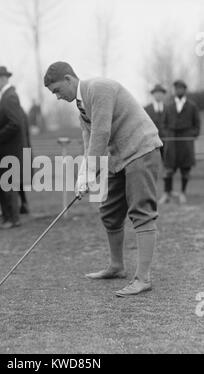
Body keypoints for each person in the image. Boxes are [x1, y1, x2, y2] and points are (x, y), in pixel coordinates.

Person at [44, 61, 163, 297]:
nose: (57, 97)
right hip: (120, 157)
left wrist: (91, 172)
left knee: (141, 212)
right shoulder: (81, 106)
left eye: (57, 90)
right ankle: (117, 267)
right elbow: (89, 141)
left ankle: (143, 279)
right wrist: (83, 176)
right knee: (109, 210)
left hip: (141, 150)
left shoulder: (98, 89)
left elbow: (102, 132)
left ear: (69, 79)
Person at [0, 66, 24, 229]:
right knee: (8, 185)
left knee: (9, 186)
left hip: (10, 150)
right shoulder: (7, 96)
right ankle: (10, 218)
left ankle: (13, 219)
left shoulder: (9, 97)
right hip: (7, 150)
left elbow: (15, 123)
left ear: (3, 79)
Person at [159, 80, 201, 205]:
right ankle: (167, 194)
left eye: (181, 88)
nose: (179, 91)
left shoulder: (192, 106)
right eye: (176, 89)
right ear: (174, 90)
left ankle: (183, 193)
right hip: (171, 143)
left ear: (184, 90)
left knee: (185, 170)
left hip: (186, 143)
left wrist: (191, 135)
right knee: (168, 170)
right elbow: (163, 124)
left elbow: (197, 125)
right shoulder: (169, 106)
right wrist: (168, 136)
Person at [144, 84, 167, 159]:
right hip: (152, 140)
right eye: (156, 93)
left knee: (166, 159)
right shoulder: (147, 108)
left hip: (166, 140)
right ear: (153, 94)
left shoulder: (168, 108)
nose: (158, 95)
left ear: (163, 94)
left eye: (160, 93)